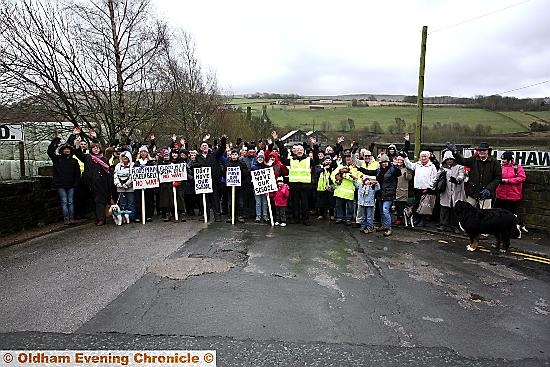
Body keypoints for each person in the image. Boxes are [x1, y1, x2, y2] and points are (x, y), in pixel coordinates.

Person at [189, 134, 227, 222]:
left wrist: (223, 141)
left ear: (208, 147)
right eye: (203, 146)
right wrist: (201, 166)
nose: (204, 147)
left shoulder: (214, 155)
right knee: (204, 199)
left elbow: (221, 149)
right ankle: (205, 215)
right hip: (203, 183)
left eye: (206, 146)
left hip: (214, 181)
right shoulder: (197, 157)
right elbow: (192, 166)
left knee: (215, 199)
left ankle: (217, 215)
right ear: (201, 148)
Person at [74, 138, 112, 226]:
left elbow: (108, 171)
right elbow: (78, 153)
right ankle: (98, 217)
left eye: (97, 148)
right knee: (93, 201)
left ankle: (101, 219)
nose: (96, 149)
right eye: (94, 148)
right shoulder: (88, 157)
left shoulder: (104, 159)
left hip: (102, 184)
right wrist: (77, 143)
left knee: (100, 201)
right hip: (91, 184)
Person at [452, 142, 501, 210]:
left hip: (486, 194)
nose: (481, 152)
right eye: (479, 150)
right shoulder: (473, 160)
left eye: (484, 150)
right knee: (469, 213)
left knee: (485, 215)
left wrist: (489, 189)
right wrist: (455, 153)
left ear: (488, 151)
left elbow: (498, 178)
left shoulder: (495, 162)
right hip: (473, 192)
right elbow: (462, 161)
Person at [47, 136, 80, 225]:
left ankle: (71, 218)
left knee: (70, 201)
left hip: (71, 184)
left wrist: (76, 183)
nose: (66, 151)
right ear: (62, 151)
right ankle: (66, 219)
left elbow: (77, 174)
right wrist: (56, 141)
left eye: (68, 150)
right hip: (60, 184)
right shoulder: (57, 159)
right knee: (64, 201)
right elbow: (50, 152)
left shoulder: (74, 161)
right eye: (65, 150)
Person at [403, 150, 438, 227]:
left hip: (426, 189)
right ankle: (417, 219)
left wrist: (430, 187)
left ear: (428, 157)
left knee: (424, 206)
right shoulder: (417, 164)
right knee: (417, 204)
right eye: (422, 156)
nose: (423, 158)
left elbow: (435, 178)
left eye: (425, 156)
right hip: (417, 188)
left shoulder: (432, 166)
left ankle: (423, 221)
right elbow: (410, 165)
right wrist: (405, 158)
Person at [495, 150, 527, 232]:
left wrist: (508, 180)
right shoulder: (500, 167)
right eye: (502, 159)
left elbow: (522, 178)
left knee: (513, 213)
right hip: (501, 194)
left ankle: (515, 229)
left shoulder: (517, 167)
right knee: (499, 213)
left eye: (504, 159)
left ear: (509, 159)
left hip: (513, 195)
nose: (503, 161)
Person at [438, 150, 465, 233]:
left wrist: (457, 180)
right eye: (447, 159)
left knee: (455, 209)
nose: (449, 161)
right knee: (444, 208)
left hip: (456, 191)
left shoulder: (459, 167)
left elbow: (461, 175)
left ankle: (455, 226)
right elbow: (437, 176)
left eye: (451, 159)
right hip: (445, 191)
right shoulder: (442, 167)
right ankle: (443, 225)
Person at [376, 155, 401, 236]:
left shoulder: (392, 169)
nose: (384, 164)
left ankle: (389, 228)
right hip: (380, 193)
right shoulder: (379, 170)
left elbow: (398, 173)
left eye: (385, 162)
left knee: (385, 210)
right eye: (382, 162)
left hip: (389, 193)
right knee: (381, 211)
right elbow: (371, 172)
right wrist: (360, 168)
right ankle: (383, 225)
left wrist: (396, 165)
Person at [331, 150, 358, 225]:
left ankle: (349, 218)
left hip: (349, 191)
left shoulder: (355, 167)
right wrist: (336, 180)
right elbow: (332, 175)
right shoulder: (340, 166)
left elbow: (354, 177)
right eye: (346, 157)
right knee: (338, 205)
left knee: (350, 206)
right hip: (339, 190)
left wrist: (343, 175)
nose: (348, 158)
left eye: (349, 157)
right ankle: (340, 217)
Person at [225, 148, 250, 223]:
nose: (234, 156)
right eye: (233, 154)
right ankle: (231, 216)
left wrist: (240, 171)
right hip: (230, 186)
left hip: (240, 186)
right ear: (231, 156)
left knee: (240, 202)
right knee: (230, 202)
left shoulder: (242, 163)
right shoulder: (227, 164)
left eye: (235, 154)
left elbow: (246, 173)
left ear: (238, 155)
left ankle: (240, 216)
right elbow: (224, 173)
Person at [134, 145, 156, 222]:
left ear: (147, 153)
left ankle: (148, 215)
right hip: (139, 185)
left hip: (148, 185)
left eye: (144, 152)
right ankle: (139, 216)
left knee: (149, 200)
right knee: (138, 200)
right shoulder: (136, 163)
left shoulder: (151, 162)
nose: (143, 153)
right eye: (141, 152)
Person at [113, 151, 135, 223]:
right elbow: (115, 175)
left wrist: (128, 184)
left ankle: (131, 217)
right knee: (122, 203)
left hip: (130, 187)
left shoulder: (132, 165)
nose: (125, 158)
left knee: (130, 202)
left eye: (126, 157)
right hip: (120, 187)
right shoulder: (118, 166)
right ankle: (122, 218)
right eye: (123, 157)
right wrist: (118, 184)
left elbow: (133, 176)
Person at [250, 150, 270, 223]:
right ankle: (258, 216)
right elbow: (251, 176)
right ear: (257, 158)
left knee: (265, 202)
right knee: (258, 203)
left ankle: (265, 215)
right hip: (257, 187)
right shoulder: (253, 167)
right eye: (259, 158)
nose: (260, 159)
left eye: (262, 158)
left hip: (265, 187)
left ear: (263, 159)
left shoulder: (267, 167)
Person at [394, 155, 413, 225]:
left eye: (401, 160)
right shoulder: (394, 168)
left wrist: (406, 173)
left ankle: (400, 218)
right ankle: (397, 217)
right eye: (398, 160)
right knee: (396, 204)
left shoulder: (407, 168)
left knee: (401, 204)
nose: (399, 161)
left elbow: (409, 178)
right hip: (395, 188)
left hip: (402, 188)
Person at [315, 156, 336, 220]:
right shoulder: (320, 166)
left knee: (331, 202)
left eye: (329, 160)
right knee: (321, 202)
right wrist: (324, 168)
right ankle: (321, 214)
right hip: (321, 187)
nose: (328, 162)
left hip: (330, 187)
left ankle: (332, 215)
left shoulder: (333, 168)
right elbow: (317, 172)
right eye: (326, 160)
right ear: (324, 161)